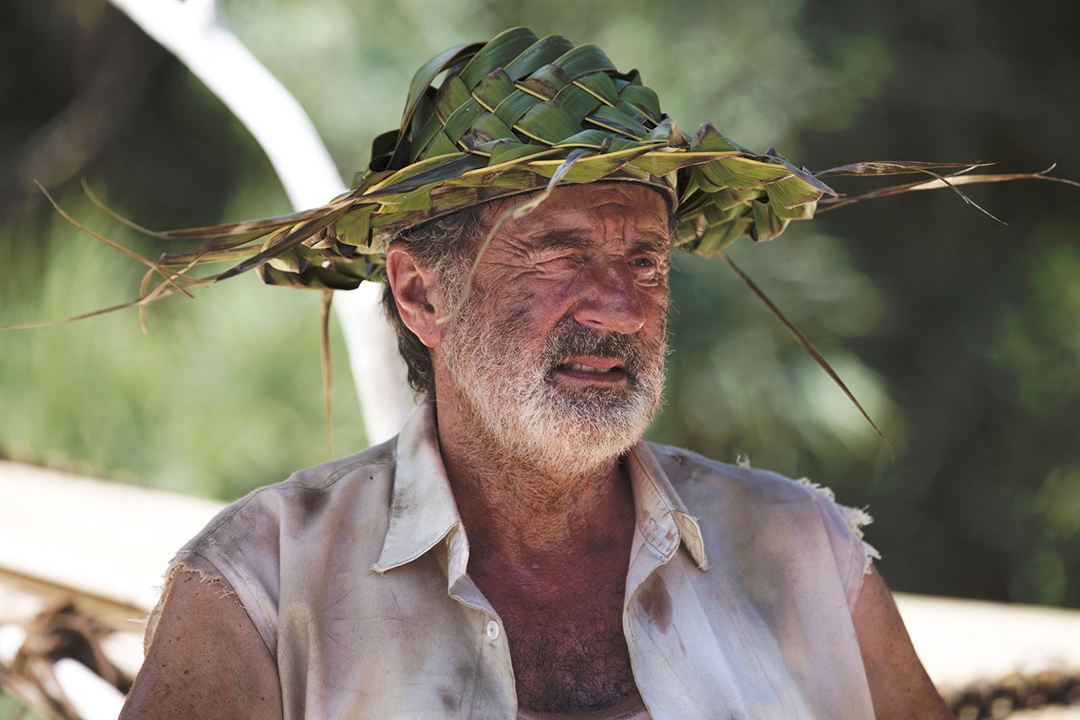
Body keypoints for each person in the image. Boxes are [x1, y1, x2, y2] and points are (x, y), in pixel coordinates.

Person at [120, 29, 952, 720]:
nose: (621, 309)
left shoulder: (804, 556)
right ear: (421, 293)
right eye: (559, 255)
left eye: (646, 260)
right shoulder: (262, 590)